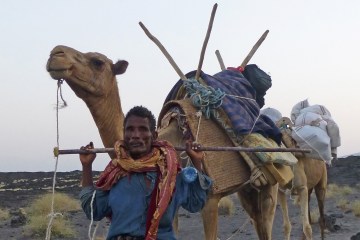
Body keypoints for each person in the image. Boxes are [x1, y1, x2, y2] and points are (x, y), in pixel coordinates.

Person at [79, 106, 212, 240]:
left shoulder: (171, 174)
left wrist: (196, 161)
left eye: (142, 129)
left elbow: (196, 203)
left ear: (154, 136)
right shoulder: (115, 174)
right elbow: (93, 210)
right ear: (124, 135)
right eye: (130, 129)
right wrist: (86, 166)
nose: (135, 135)